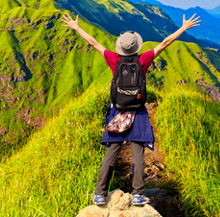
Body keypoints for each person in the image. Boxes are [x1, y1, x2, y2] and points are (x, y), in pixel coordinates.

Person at [61, 12, 200, 206]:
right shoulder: (142, 60)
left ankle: (100, 193)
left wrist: (77, 28)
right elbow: (164, 43)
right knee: (138, 153)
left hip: (117, 111)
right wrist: (183, 28)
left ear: (120, 47)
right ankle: (137, 194)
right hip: (138, 111)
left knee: (112, 152)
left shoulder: (113, 59)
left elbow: (94, 43)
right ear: (136, 47)